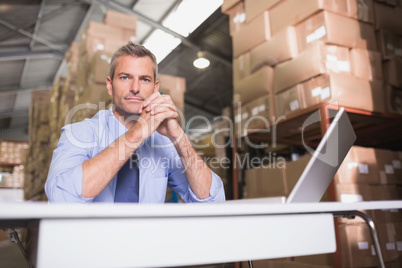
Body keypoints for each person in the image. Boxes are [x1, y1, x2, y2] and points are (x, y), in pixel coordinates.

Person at [45, 42, 225, 203]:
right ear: (110, 85)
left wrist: (179, 137)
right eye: (125, 77)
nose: (135, 88)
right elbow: (62, 197)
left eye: (144, 79)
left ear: (155, 88)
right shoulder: (79, 134)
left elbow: (213, 200)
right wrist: (137, 133)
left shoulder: (162, 143)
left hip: (146, 240)